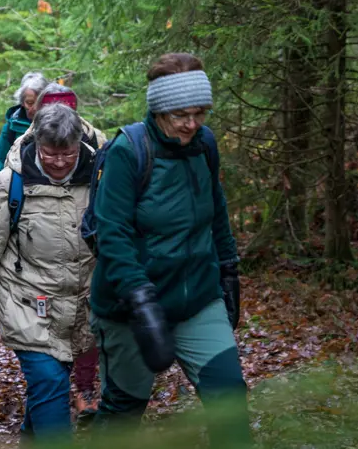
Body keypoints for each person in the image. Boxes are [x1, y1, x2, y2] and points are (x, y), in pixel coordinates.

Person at [89, 53, 250, 445]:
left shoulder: (204, 145)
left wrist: (228, 268)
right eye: (181, 115)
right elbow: (112, 235)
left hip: (196, 296)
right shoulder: (129, 151)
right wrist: (141, 301)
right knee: (124, 409)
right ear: (159, 110)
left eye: (199, 113)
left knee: (229, 397)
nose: (191, 124)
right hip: (131, 307)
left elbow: (217, 212)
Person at [0, 104, 96, 439]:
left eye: (68, 153)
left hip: (79, 305)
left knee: (52, 383)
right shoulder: (11, 183)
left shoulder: (98, 176)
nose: (60, 162)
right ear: (36, 143)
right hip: (26, 302)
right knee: (49, 382)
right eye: (51, 153)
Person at [6, 81, 105, 418]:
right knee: (49, 375)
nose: (61, 160)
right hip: (34, 287)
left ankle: (85, 388)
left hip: (85, 275)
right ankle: (58, 397)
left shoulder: (96, 149)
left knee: (85, 335)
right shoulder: (20, 154)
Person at [0, 72, 49, 193]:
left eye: (39, 103)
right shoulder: (12, 126)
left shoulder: (57, 124)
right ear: (22, 101)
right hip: (18, 192)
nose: (34, 108)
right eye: (29, 103)